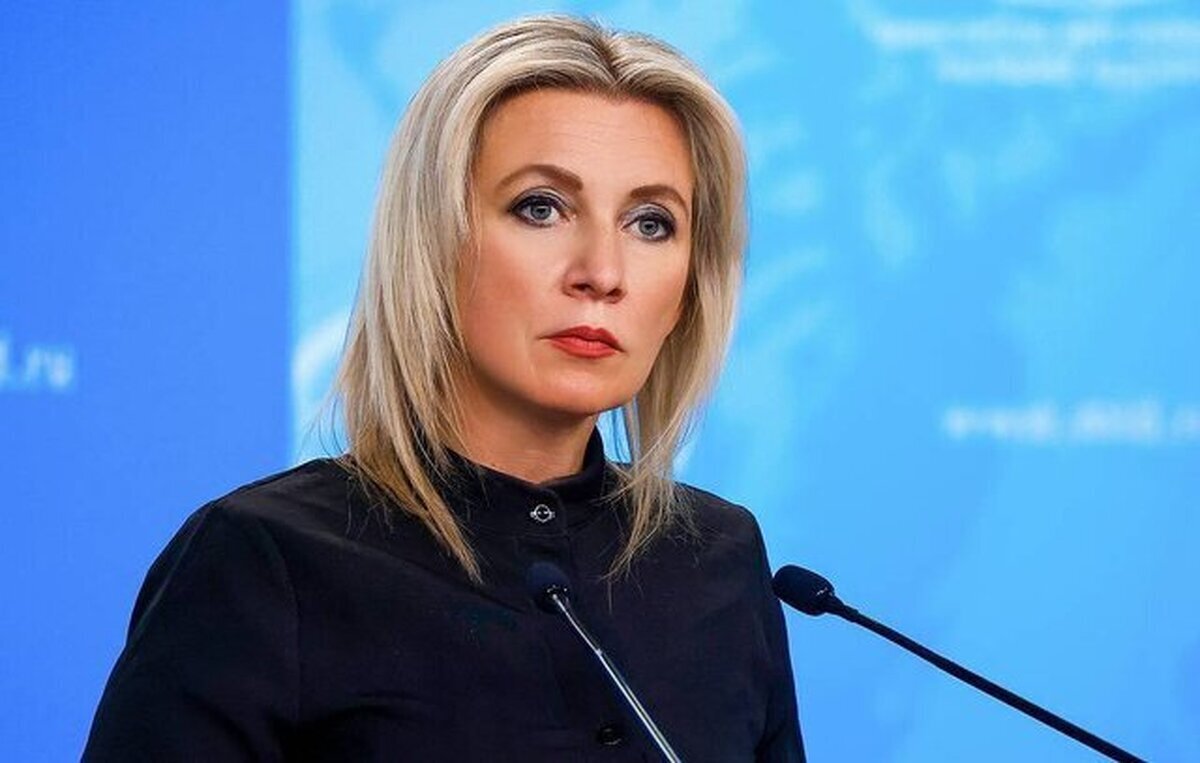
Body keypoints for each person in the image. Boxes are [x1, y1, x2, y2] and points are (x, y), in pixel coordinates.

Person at [84, 14, 805, 762]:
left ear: (690, 286)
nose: (603, 272)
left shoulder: (719, 557)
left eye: (651, 223)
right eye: (540, 208)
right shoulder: (260, 561)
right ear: (432, 242)